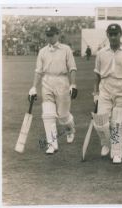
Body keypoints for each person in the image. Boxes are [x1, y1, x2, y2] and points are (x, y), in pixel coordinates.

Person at [92, 23, 122, 164]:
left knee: (118, 123)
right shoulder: (101, 53)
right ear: (107, 35)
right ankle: (106, 143)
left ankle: (117, 152)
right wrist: (95, 93)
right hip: (105, 89)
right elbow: (96, 76)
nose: (113, 37)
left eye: (116, 34)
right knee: (100, 122)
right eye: (111, 34)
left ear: (120, 34)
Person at [28, 26, 78, 154]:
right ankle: (52, 145)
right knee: (48, 114)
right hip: (47, 82)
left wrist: (73, 85)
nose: (49, 37)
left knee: (63, 116)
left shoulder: (66, 49)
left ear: (57, 34)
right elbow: (39, 71)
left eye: (51, 35)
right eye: (47, 35)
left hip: (62, 82)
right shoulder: (42, 51)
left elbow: (72, 68)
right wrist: (33, 87)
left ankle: (70, 130)